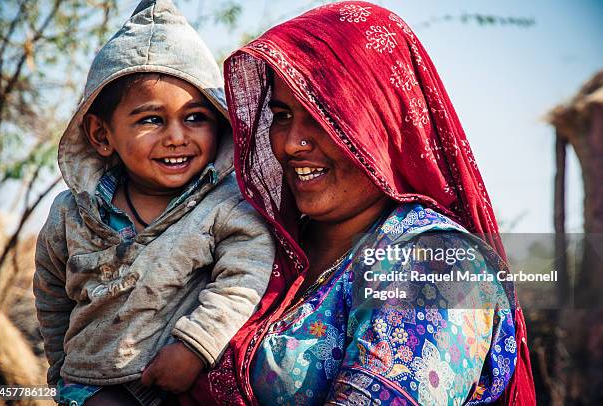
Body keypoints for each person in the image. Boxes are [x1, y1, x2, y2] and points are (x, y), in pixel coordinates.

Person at [189, 1, 536, 404]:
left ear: (380, 124)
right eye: (282, 115)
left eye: (321, 116)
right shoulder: (256, 239)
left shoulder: (437, 264)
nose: (289, 143)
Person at [33, 0, 274, 404]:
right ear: (101, 134)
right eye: (151, 120)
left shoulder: (225, 205)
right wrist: (60, 374)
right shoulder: (69, 214)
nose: (177, 136)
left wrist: (196, 346)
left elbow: (245, 276)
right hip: (85, 385)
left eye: (196, 117)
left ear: (219, 119)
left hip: (177, 383)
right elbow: (53, 299)